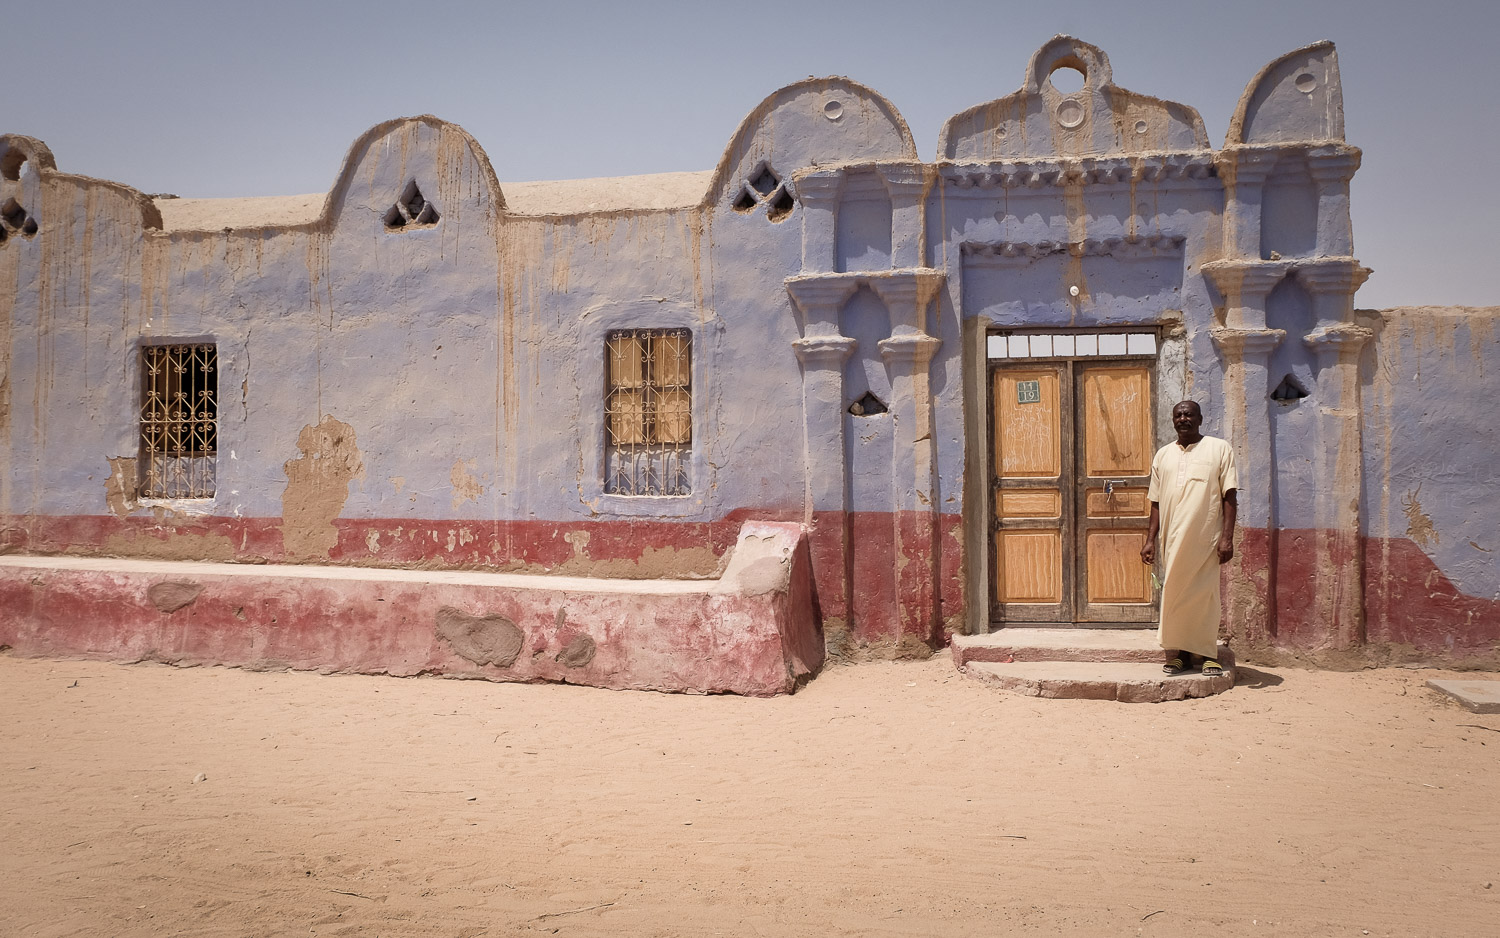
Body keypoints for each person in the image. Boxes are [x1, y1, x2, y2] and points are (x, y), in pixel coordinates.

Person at [1139, 400, 1237, 676]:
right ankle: (1180, 654)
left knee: (1205, 596)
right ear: (1173, 420)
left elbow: (1230, 496)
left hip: (1206, 540)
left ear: (1200, 418)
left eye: (1189, 414)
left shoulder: (1219, 449)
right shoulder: (1163, 455)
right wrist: (1150, 540)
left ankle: (1208, 654)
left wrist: (1226, 538)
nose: (1183, 419)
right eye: (1178, 415)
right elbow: (1155, 502)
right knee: (1175, 595)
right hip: (1171, 541)